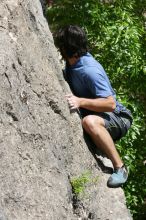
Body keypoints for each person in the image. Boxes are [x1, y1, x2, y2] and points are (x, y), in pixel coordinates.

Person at [54, 25, 133, 188]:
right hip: (103, 113)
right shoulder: (72, 62)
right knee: (89, 120)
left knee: (89, 122)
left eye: (60, 45)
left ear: (67, 48)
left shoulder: (89, 70)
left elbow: (110, 104)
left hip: (118, 117)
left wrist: (80, 101)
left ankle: (120, 167)